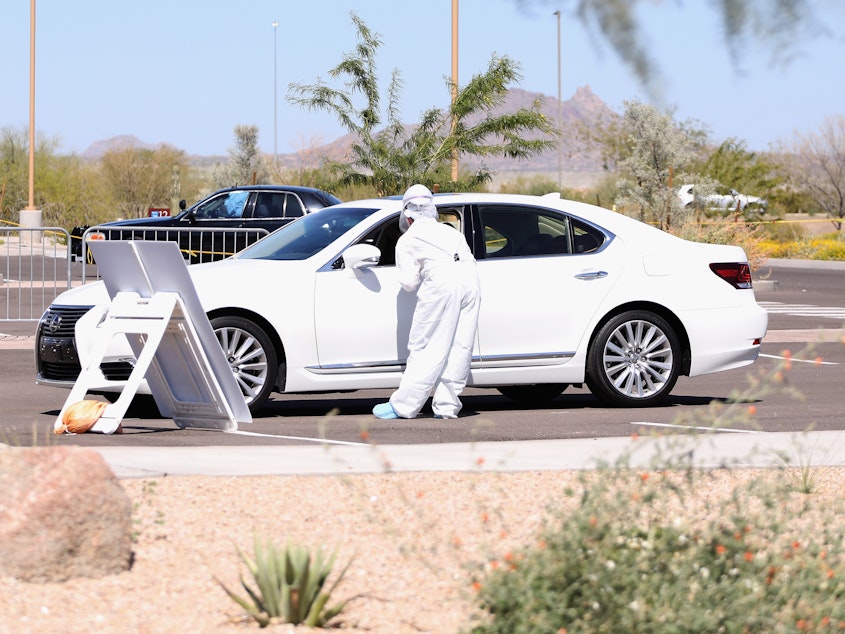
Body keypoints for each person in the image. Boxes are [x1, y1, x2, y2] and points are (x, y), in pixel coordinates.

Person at [373, 184, 481, 420]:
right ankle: (447, 406)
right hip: (471, 282)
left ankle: (404, 406)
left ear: (407, 215)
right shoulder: (452, 232)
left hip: (441, 286)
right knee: (459, 345)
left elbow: (409, 282)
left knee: (426, 345)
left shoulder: (408, 239)